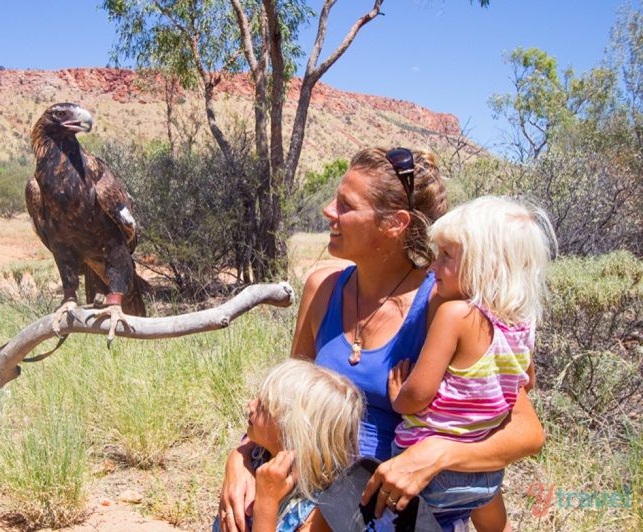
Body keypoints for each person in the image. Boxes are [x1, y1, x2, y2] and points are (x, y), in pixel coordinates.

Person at [218, 147, 546, 532]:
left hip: (386, 509)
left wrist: (436, 454)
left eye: (345, 204)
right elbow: (284, 403)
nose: (328, 211)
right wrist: (242, 457)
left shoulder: (443, 305)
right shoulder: (322, 287)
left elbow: (527, 433)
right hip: (311, 491)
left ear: (394, 223)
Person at [387, 196, 555, 531]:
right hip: (486, 479)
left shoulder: (456, 314)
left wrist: (398, 397)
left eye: (447, 256)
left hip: (431, 475)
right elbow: (526, 381)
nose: (434, 266)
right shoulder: (523, 323)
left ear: (487, 265)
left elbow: (419, 393)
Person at [214, 359, 364, 532]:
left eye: (263, 406)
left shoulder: (318, 512)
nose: (251, 404)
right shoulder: (258, 456)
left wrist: (267, 502)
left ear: (292, 430)